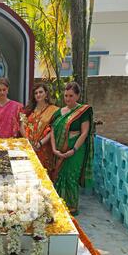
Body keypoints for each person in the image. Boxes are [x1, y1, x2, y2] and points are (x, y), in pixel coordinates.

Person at [50, 81, 94, 215]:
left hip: (75, 151)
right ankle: (58, 206)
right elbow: (52, 131)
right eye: (66, 96)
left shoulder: (83, 112)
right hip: (58, 151)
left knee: (70, 177)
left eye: (71, 96)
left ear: (78, 96)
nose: (68, 99)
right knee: (57, 176)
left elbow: (84, 132)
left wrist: (73, 150)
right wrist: (53, 149)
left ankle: (71, 208)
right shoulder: (59, 112)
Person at [24, 83, 58, 176]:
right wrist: (28, 142)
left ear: (46, 93)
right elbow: (22, 126)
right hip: (30, 147)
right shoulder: (29, 110)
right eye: (36, 93)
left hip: (44, 148)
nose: (38, 95)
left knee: (44, 176)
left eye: (40, 92)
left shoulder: (54, 110)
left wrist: (40, 143)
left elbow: (53, 131)